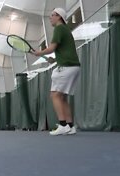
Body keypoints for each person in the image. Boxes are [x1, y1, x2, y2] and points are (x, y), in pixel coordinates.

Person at [33, 7, 80, 136]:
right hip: (73, 67)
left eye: (52, 15)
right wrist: (53, 60)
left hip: (67, 67)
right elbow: (62, 51)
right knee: (62, 97)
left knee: (55, 95)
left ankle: (63, 125)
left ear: (59, 17)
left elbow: (52, 47)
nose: (50, 17)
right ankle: (70, 126)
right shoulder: (65, 30)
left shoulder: (59, 28)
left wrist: (39, 53)